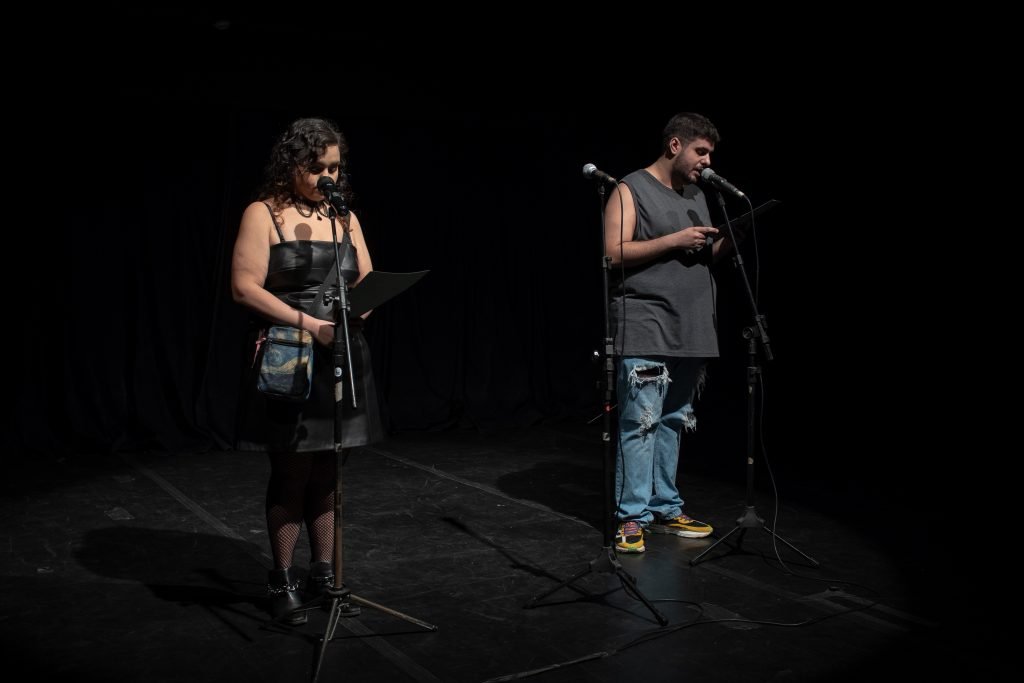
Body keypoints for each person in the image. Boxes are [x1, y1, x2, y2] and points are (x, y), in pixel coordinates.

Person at [231, 117, 384, 623]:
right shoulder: (264, 213)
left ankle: (324, 572)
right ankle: (281, 578)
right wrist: (308, 322)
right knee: (292, 473)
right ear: (292, 164)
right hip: (292, 354)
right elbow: (245, 287)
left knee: (330, 474)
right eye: (317, 167)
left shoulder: (346, 218)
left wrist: (363, 307)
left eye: (335, 167)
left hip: (342, 354)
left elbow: (366, 277)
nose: (327, 177)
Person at [605, 112, 739, 554]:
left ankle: (665, 506)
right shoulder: (630, 189)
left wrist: (730, 237)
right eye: (701, 152)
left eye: (710, 154)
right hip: (648, 321)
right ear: (675, 146)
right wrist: (674, 240)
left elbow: (699, 257)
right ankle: (631, 516)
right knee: (640, 423)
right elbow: (613, 253)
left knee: (671, 421)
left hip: (693, 324)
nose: (706, 161)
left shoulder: (698, 195)